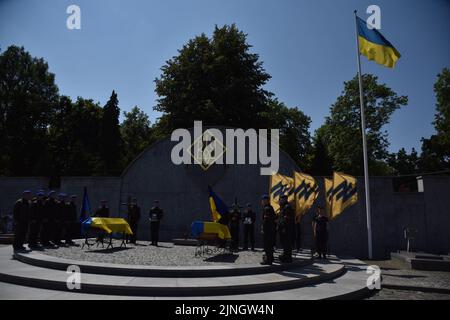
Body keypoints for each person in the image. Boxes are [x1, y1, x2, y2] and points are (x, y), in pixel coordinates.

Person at [278, 195, 295, 263]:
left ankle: (287, 258)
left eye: (281, 199)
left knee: (286, 243)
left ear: (284, 199)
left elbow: (287, 219)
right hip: (284, 228)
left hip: (286, 229)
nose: (280, 201)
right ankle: (286, 256)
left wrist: (284, 228)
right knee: (285, 243)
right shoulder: (283, 207)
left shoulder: (287, 207)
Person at [260, 195, 276, 265]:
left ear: (266, 200)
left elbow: (266, 221)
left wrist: (263, 229)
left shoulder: (267, 208)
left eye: (263, 200)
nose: (262, 202)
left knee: (267, 246)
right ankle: (270, 258)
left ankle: (268, 260)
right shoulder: (270, 208)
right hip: (271, 230)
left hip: (268, 230)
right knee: (270, 245)